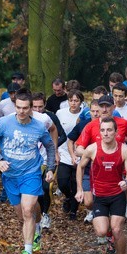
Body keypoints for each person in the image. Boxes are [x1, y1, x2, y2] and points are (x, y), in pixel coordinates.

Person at [0, 91, 56, 254]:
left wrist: (50, 168)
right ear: (14, 106)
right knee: (22, 215)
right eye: (18, 108)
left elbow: (49, 146)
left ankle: (27, 253)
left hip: (31, 174)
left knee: (27, 210)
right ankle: (37, 224)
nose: (22, 111)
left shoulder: (39, 127)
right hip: (10, 176)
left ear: (31, 108)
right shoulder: (3, 123)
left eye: (25, 108)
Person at [74, 117, 127, 254]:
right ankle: (107, 232)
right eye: (102, 130)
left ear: (115, 132)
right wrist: (80, 189)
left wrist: (125, 182)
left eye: (109, 130)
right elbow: (80, 167)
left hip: (117, 195)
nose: (106, 133)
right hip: (99, 196)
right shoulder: (92, 149)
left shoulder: (124, 149)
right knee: (101, 231)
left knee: (117, 229)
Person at [32, 92, 64, 231]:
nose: (38, 110)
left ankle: (45, 214)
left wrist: (54, 150)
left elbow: (61, 134)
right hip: (33, 161)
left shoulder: (49, 117)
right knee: (36, 189)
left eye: (40, 106)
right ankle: (37, 213)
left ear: (45, 104)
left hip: (48, 158)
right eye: (35, 107)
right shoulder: (27, 118)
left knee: (46, 188)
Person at [55, 90, 85, 220]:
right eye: (71, 100)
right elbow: (55, 131)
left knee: (75, 182)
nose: (73, 103)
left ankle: (74, 210)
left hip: (80, 152)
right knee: (62, 182)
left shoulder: (84, 115)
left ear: (81, 102)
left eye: (76, 100)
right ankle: (67, 197)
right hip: (63, 151)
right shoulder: (60, 113)